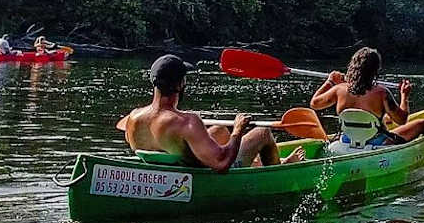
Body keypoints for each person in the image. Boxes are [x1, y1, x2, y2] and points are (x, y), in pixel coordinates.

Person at [122, 55, 303, 171]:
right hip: (201, 172)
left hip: (171, 167)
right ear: (179, 85)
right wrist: (238, 130)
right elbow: (222, 163)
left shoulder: (133, 118)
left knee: (218, 130)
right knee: (262, 134)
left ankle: (255, 162)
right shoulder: (187, 122)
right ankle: (282, 166)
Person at [310, 47, 424, 146]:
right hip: (377, 142)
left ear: (353, 67)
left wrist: (330, 81)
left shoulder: (339, 89)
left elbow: (315, 104)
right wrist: (405, 96)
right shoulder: (381, 93)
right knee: (420, 124)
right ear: (375, 71)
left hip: (346, 140)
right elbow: (402, 120)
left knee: (385, 121)